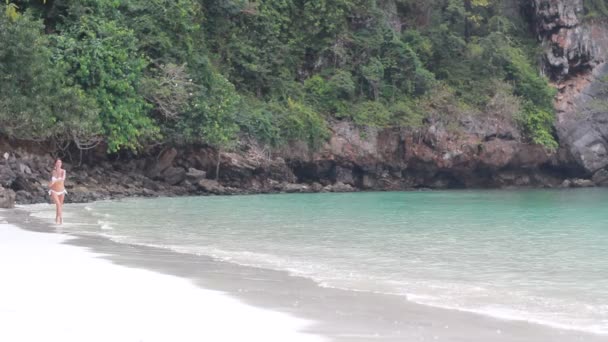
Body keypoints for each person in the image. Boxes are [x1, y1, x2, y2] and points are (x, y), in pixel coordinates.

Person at [49, 158, 67, 224]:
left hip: (62, 190)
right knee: (58, 204)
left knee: (59, 206)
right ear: (55, 164)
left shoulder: (63, 171)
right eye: (58, 162)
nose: (59, 164)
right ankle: (61, 219)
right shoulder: (54, 171)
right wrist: (51, 183)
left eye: (60, 162)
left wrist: (55, 181)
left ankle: (57, 219)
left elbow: (63, 179)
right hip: (54, 190)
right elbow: (52, 181)